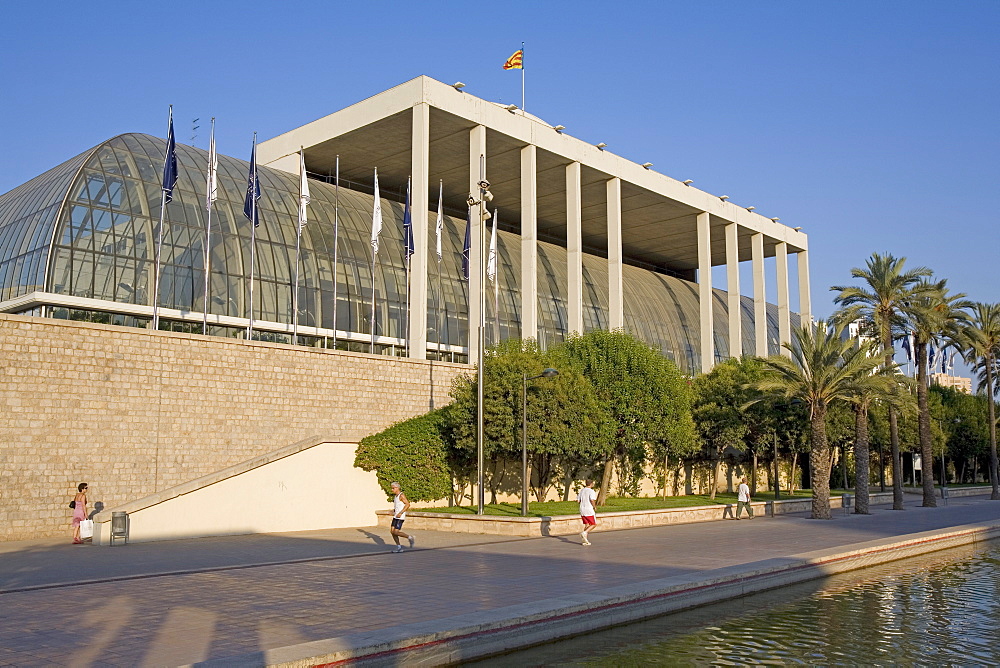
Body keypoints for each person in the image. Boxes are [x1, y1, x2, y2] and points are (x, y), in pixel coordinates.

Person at [389, 482, 415, 553]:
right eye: (392, 488)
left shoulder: (401, 495)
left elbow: (407, 504)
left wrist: (401, 513)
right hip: (395, 516)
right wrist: (393, 511)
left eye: (393, 488)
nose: (392, 490)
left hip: (400, 517)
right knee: (392, 532)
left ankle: (410, 537)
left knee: (396, 532)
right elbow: (398, 506)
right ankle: (399, 547)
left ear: (397, 488)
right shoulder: (396, 496)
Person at [578, 479, 598, 545]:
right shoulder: (591, 491)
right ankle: (585, 532)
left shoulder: (582, 491)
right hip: (589, 509)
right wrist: (594, 506)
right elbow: (592, 499)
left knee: (586, 524)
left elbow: (578, 500)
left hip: (582, 509)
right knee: (593, 524)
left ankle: (585, 540)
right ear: (591, 484)